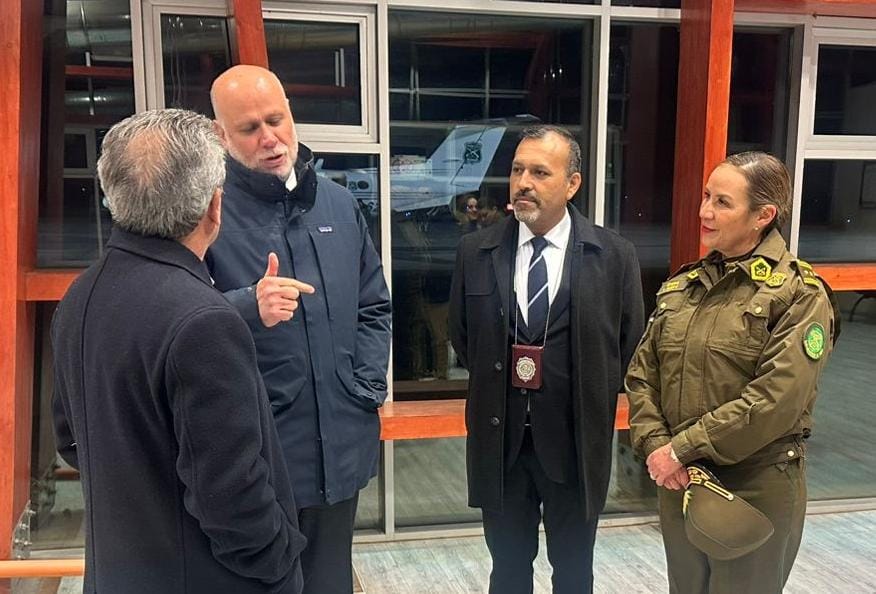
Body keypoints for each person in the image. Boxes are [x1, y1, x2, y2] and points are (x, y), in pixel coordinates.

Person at [52, 109, 307, 593]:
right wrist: (281, 563)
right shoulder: (204, 319)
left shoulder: (80, 295)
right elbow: (231, 497)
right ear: (214, 206)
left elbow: (71, 440)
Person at [207, 65, 392, 594]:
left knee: (330, 581)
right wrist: (247, 306)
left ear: (291, 114)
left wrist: (365, 387)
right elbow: (178, 323)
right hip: (258, 455)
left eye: (276, 120)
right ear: (221, 134)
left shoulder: (338, 204)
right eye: (249, 129)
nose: (269, 139)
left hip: (342, 441)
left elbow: (374, 307)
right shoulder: (208, 213)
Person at [625, 152, 839, 594]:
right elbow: (642, 376)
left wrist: (680, 448)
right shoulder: (683, 287)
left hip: (754, 485)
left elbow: (774, 402)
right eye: (706, 196)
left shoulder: (799, 295)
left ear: (763, 215)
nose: (704, 211)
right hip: (681, 481)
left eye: (722, 202)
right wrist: (657, 445)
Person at [449, 125, 645, 593]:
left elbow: (627, 344)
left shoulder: (613, 256)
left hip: (575, 447)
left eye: (540, 172)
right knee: (507, 572)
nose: (523, 183)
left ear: (572, 184)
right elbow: (463, 337)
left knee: (574, 575)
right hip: (502, 446)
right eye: (517, 170)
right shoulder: (476, 252)